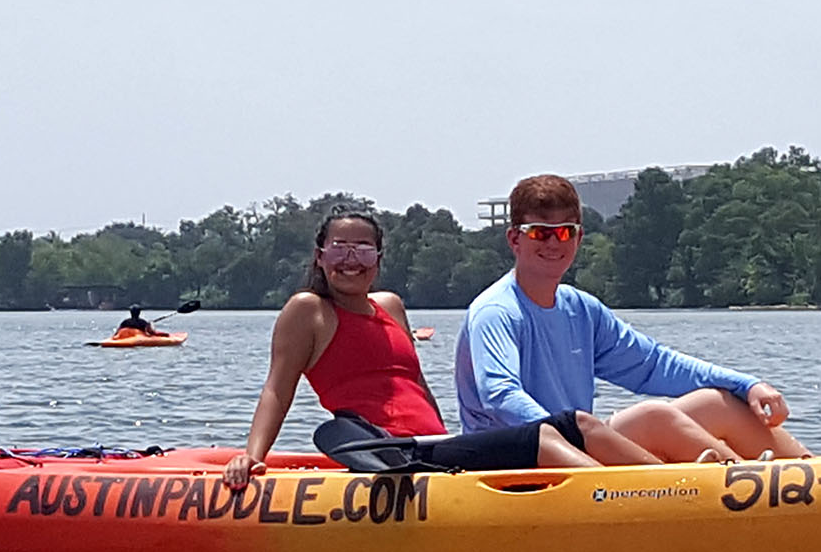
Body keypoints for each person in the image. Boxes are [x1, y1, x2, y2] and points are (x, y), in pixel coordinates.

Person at [222, 210, 658, 490]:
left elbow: (415, 386)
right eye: (339, 246)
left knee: (578, 424)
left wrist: (460, 442)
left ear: (378, 258)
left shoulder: (390, 306)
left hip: (438, 445)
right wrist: (252, 457)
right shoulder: (308, 310)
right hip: (394, 455)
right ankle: (622, 498)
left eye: (363, 247)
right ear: (320, 256)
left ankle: (675, 486)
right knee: (545, 433)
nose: (350, 258)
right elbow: (277, 390)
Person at [456, 174, 821, 463]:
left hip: (578, 443)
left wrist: (749, 385)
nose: (554, 244)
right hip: (517, 461)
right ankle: (746, 490)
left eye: (565, 233)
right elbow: (501, 396)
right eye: (540, 233)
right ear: (515, 239)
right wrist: (579, 435)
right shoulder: (497, 312)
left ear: (579, 237)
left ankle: (816, 476)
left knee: (719, 402)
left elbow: (655, 365)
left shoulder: (581, 310)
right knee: (653, 415)